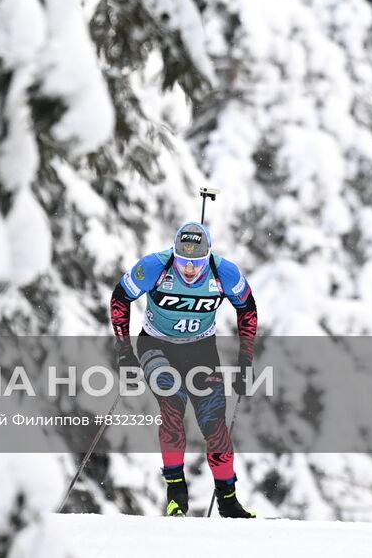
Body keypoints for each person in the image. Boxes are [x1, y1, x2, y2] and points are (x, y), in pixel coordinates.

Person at [109, 221, 259, 517]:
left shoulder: (224, 273)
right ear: (173, 253)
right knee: (172, 404)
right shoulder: (154, 267)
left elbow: (248, 310)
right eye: (183, 260)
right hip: (156, 346)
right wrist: (124, 351)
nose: (189, 269)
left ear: (208, 256)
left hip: (201, 351)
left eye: (197, 262)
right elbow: (120, 298)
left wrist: (245, 360)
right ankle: (176, 492)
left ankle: (228, 502)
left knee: (214, 424)